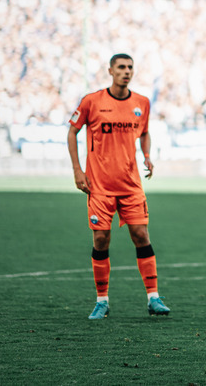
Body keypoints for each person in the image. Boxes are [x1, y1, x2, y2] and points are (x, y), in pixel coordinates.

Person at [67, 53, 170, 320]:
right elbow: (72, 131)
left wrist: (147, 155)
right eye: (121, 67)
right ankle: (102, 301)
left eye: (130, 67)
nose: (126, 71)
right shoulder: (92, 101)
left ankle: (154, 298)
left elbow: (145, 132)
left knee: (141, 236)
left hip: (131, 186)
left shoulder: (141, 103)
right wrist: (78, 170)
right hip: (99, 186)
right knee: (101, 240)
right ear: (110, 71)